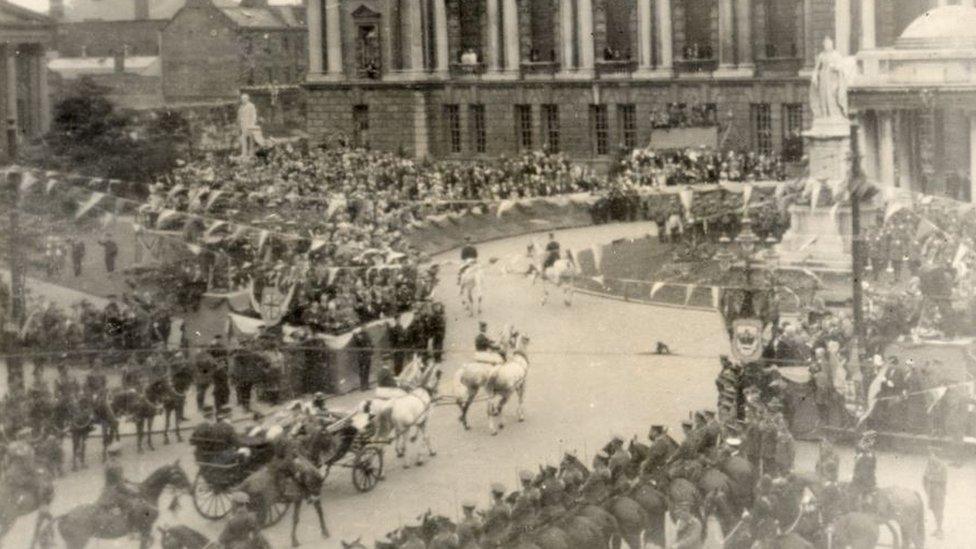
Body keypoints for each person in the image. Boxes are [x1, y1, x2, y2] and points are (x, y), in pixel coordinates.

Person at [923, 447, 947, 539]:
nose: (930, 457)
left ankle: (940, 529)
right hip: (931, 491)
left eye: (932, 455)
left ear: (937, 456)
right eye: (930, 455)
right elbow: (924, 477)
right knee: (933, 509)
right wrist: (926, 489)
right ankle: (938, 528)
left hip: (938, 492)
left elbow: (943, 482)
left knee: (939, 510)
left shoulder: (942, 466)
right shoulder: (929, 464)